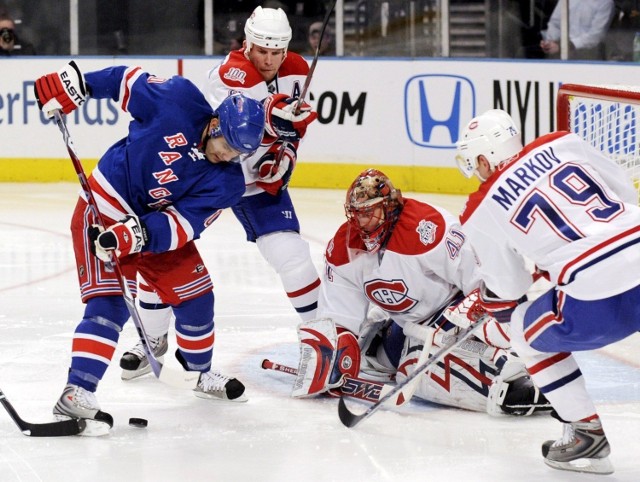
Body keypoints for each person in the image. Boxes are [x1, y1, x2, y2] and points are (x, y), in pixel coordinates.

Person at [33, 60, 267, 436]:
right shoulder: (177, 100)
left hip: (154, 233)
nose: (228, 157)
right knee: (107, 306)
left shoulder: (227, 183)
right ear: (214, 124)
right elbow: (123, 80)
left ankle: (198, 372)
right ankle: (77, 391)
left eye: (237, 154)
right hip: (105, 212)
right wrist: (76, 84)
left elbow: (182, 225)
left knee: (197, 300)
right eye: (226, 147)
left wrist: (136, 234)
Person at [117, 5, 320, 381]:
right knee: (163, 253)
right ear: (247, 44)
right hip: (204, 177)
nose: (270, 60)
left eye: (277, 53)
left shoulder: (298, 70)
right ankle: (152, 337)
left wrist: (286, 155)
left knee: (291, 255)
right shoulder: (230, 73)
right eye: (262, 51)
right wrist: (280, 119)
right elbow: (255, 117)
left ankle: (322, 337)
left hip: (255, 181)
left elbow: (294, 127)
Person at [454, 109, 640, 474]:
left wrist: (545, 260)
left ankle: (585, 432)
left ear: (482, 157)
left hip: (594, 295)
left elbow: (510, 287)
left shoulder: (479, 206)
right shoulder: (560, 142)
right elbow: (620, 187)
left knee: (522, 329)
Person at [290, 168, 551, 417]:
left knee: (435, 357)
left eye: (370, 212)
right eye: (357, 214)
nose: (363, 222)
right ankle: (502, 383)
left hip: (455, 314)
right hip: (406, 329)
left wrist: (477, 306)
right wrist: (332, 356)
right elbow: (338, 316)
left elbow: (482, 279)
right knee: (410, 364)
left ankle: (516, 369)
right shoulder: (343, 248)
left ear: (390, 206)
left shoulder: (428, 227)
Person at [540, 0, 615, 60]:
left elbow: (596, 36)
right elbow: (555, 23)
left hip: (587, 58)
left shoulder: (606, 3)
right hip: (560, 55)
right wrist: (550, 43)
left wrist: (564, 46)